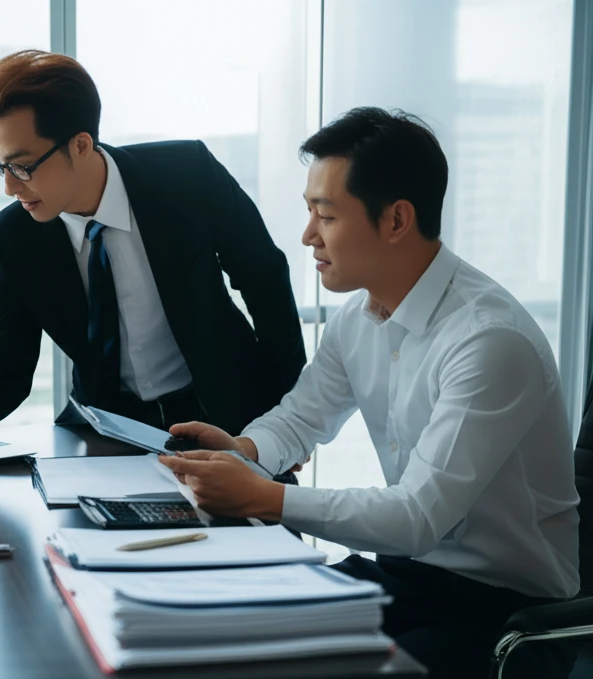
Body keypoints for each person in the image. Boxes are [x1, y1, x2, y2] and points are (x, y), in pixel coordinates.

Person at [158, 107, 581, 679]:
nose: (308, 236)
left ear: (397, 219)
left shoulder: (489, 341)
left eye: (325, 215)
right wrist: (246, 451)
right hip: (406, 575)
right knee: (238, 631)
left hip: (503, 612)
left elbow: (416, 516)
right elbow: (300, 419)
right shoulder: (357, 318)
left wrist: (261, 497)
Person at [0, 50, 306, 454]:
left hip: (230, 417)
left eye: (23, 165)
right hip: (107, 434)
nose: (10, 186)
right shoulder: (11, 239)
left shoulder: (187, 174)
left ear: (80, 144)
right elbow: (5, 371)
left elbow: (264, 279)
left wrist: (287, 423)